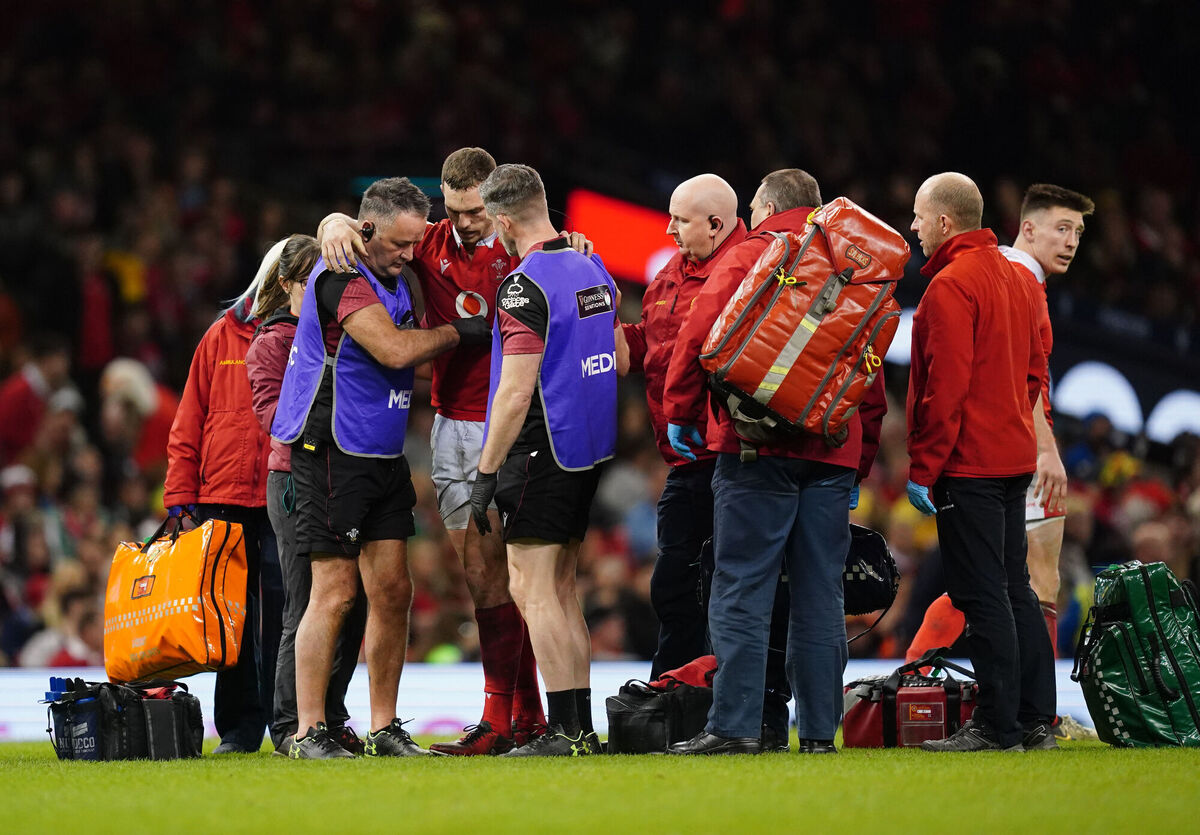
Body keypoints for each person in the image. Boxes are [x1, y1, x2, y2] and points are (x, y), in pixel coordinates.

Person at [318, 148, 589, 755]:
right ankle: (516, 719)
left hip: (518, 425)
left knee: (528, 578)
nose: (465, 222)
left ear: (496, 203)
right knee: (482, 575)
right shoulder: (428, 243)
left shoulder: (530, 249)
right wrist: (334, 222)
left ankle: (522, 720)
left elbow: (562, 256)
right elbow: (361, 234)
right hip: (453, 425)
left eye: (475, 210)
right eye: (455, 208)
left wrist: (578, 246)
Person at [662, 169, 887, 755]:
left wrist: (680, 414)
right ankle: (818, 734)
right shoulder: (851, 269)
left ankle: (734, 727)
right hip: (833, 451)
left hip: (754, 448)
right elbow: (871, 376)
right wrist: (856, 463)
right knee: (821, 595)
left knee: (742, 586)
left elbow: (696, 339)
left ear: (762, 207)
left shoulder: (753, 254)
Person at [273, 177, 491, 759]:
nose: (407, 254)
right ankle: (308, 731)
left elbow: (402, 363)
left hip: (382, 453)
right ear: (365, 229)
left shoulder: (393, 274)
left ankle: (385, 726)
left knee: (393, 591)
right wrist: (456, 334)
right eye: (398, 244)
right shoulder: (340, 276)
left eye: (414, 244)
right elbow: (394, 350)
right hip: (331, 451)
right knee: (334, 592)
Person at [904, 183, 1098, 741]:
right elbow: (1037, 373)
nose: (913, 228)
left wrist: (924, 467)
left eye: (918, 218)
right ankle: (1036, 717)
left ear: (944, 222)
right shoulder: (1019, 282)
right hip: (1012, 460)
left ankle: (994, 724)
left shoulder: (951, 286)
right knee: (1016, 589)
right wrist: (1017, 425)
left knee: (983, 593)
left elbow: (945, 389)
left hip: (970, 465)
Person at [466, 163, 625, 757]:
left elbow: (513, 390)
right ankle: (578, 728)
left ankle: (565, 733)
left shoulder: (520, 286)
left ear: (504, 220)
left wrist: (485, 472)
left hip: (542, 446)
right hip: (588, 449)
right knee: (560, 588)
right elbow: (620, 357)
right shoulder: (591, 266)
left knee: (532, 589)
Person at [245, 234, 369, 756]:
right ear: (291, 284)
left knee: (352, 603)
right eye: (315, 281)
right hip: (294, 479)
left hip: (338, 474)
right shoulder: (273, 343)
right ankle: (292, 723)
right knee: (305, 603)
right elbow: (275, 419)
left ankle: (330, 713)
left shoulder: (336, 335)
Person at [620, 173, 745, 679]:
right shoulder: (672, 272)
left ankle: (728, 705)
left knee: (725, 588)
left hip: (730, 459)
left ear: (716, 224)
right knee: (675, 585)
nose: (669, 230)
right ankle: (673, 697)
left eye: (680, 220)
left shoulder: (747, 269)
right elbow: (645, 344)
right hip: (686, 459)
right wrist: (595, 306)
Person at [164, 267, 285, 755]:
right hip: (223, 494)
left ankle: (290, 725)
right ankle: (237, 730)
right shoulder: (221, 334)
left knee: (286, 615)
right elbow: (190, 416)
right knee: (231, 619)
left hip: (283, 490)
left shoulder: (310, 331)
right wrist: (179, 495)